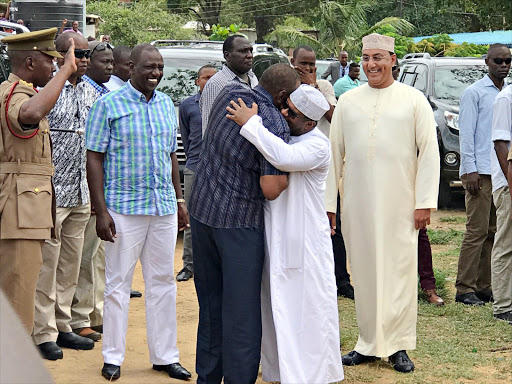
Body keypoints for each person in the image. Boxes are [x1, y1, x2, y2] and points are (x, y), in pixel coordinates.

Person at [325, 33, 439, 373]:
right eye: (366, 58)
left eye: (378, 57)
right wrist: (329, 204)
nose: (371, 64)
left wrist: (423, 203)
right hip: (358, 203)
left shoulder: (413, 99)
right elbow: (334, 155)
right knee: (364, 271)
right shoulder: (348, 102)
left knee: (399, 273)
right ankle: (368, 343)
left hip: (400, 204)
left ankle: (398, 345)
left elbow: (429, 154)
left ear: (392, 59)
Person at [86, 43, 191, 381]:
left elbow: (170, 157)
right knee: (117, 283)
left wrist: (178, 202)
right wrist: (101, 211)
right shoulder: (107, 105)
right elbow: (94, 158)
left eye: (159, 67)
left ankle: (165, 356)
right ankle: (113, 357)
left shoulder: (165, 104)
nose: (155, 73)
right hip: (123, 208)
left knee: (163, 282)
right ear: (131, 67)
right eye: (149, 67)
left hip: (161, 207)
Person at [226, 84, 344, 383]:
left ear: (309, 122)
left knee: (307, 312)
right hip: (276, 238)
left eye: (291, 112)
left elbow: (283, 158)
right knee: (276, 307)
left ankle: (312, 375)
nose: (282, 113)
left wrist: (250, 121)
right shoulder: (284, 134)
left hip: (304, 243)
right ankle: (280, 372)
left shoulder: (317, 145)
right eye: (284, 105)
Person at [189, 63, 298, 384]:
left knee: (210, 305)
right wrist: (291, 171)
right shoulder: (274, 122)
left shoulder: (229, 92)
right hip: (237, 222)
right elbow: (270, 187)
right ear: (282, 96)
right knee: (242, 312)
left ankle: (207, 378)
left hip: (202, 210)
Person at [0, 28, 75, 334]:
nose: (54, 67)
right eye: (51, 61)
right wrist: (68, 70)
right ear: (31, 62)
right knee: (17, 297)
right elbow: (29, 114)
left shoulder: (18, 90)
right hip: (19, 210)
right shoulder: (17, 94)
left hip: (25, 207)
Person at [32, 32, 98, 360]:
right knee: (47, 264)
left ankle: (63, 324)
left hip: (82, 191)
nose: (84, 60)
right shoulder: (44, 91)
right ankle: (42, 331)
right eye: (78, 53)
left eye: (88, 54)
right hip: (52, 191)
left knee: (70, 264)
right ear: (59, 55)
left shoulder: (92, 93)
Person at [291, 45, 353, 298]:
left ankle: (342, 280)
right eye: (303, 64)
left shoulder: (325, 87)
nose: (307, 69)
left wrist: (315, 89)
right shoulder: (289, 87)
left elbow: (334, 117)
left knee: (333, 223)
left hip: (323, 165)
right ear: (292, 62)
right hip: (296, 162)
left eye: (311, 64)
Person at [455, 44, 511, 306]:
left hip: (499, 171)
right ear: (487, 62)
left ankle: (484, 285)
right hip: (479, 171)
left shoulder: (506, 94)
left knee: (493, 231)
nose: (504, 65)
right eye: (498, 60)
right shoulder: (474, 92)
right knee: (475, 231)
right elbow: (466, 134)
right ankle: (464, 288)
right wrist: (469, 169)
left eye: (508, 61)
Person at [69, 40, 113, 342]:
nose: (108, 67)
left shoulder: (104, 96)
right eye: (103, 61)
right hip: (80, 187)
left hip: (100, 189)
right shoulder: (77, 90)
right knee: (82, 258)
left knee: (97, 257)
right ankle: (79, 316)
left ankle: (95, 314)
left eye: (112, 62)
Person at [176, 64, 217, 282]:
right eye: (205, 77)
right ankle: (189, 265)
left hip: (219, 169)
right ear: (197, 81)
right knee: (191, 219)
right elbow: (185, 135)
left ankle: (213, 265)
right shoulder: (187, 105)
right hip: (194, 167)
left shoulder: (225, 102)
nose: (209, 81)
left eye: (214, 77)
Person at [199, 34, 257, 135]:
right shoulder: (216, 84)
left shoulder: (253, 78)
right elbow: (208, 130)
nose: (249, 55)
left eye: (250, 50)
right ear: (227, 56)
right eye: (243, 51)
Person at [493, 66, 512, 324]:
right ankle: (503, 306)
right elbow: (500, 143)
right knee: (506, 243)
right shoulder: (506, 98)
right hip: (508, 181)